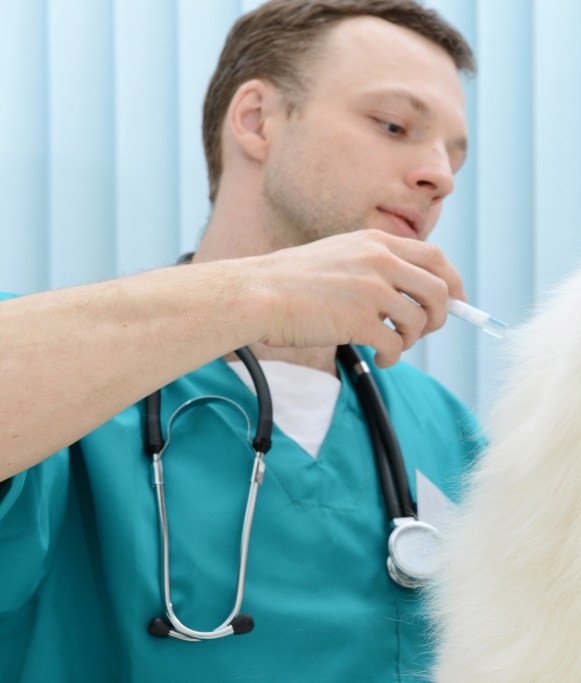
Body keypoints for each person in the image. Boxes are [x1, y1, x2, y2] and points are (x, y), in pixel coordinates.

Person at [0, 1, 483, 680]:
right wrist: (261, 295)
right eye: (395, 124)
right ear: (257, 120)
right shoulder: (66, 372)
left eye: (454, 155)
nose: (441, 175)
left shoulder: (448, 430)